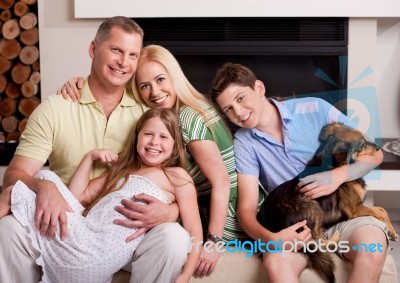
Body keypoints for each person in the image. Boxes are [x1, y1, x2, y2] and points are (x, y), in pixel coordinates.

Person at [0, 17, 190, 283]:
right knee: (8, 229)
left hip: (125, 230)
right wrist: (44, 188)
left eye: (132, 55)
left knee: (175, 238)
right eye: (116, 50)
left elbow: (175, 181)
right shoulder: (56, 108)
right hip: (63, 222)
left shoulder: (149, 113)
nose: (124, 62)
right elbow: (15, 174)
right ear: (93, 49)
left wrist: (171, 212)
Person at [58, 45, 247, 278]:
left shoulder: (188, 117)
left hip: (229, 215)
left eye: (160, 80)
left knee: (172, 237)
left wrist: (214, 242)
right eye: (144, 86)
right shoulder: (170, 116)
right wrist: (81, 84)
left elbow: (222, 182)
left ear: (174, 76)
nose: (155, 92)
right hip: (199, 206)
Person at [209, 63, 391, 283]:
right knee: (275, 264)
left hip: (341, 215)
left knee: (372, 249)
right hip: (297, 226)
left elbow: (375, 155)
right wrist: (272, 239)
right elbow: (245, 210)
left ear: (259, 88)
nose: (238, 112)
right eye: (228, 108)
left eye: (240, 98)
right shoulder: (244, 143)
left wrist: (338, 175)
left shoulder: (316, 108)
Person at [0, 108, 202, 283]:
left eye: (164, 137)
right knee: (46, 176)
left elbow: (194, 229)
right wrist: (89, 158)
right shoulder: (123, 171)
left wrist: (186, 273)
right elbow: (78, 196)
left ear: (175, 144)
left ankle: (10, 195)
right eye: (148, 134)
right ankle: (12, 194)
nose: (154, 142)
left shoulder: (177, 177)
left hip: (94, 253)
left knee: (23, 187)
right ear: (137, 137)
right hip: (83, 234)